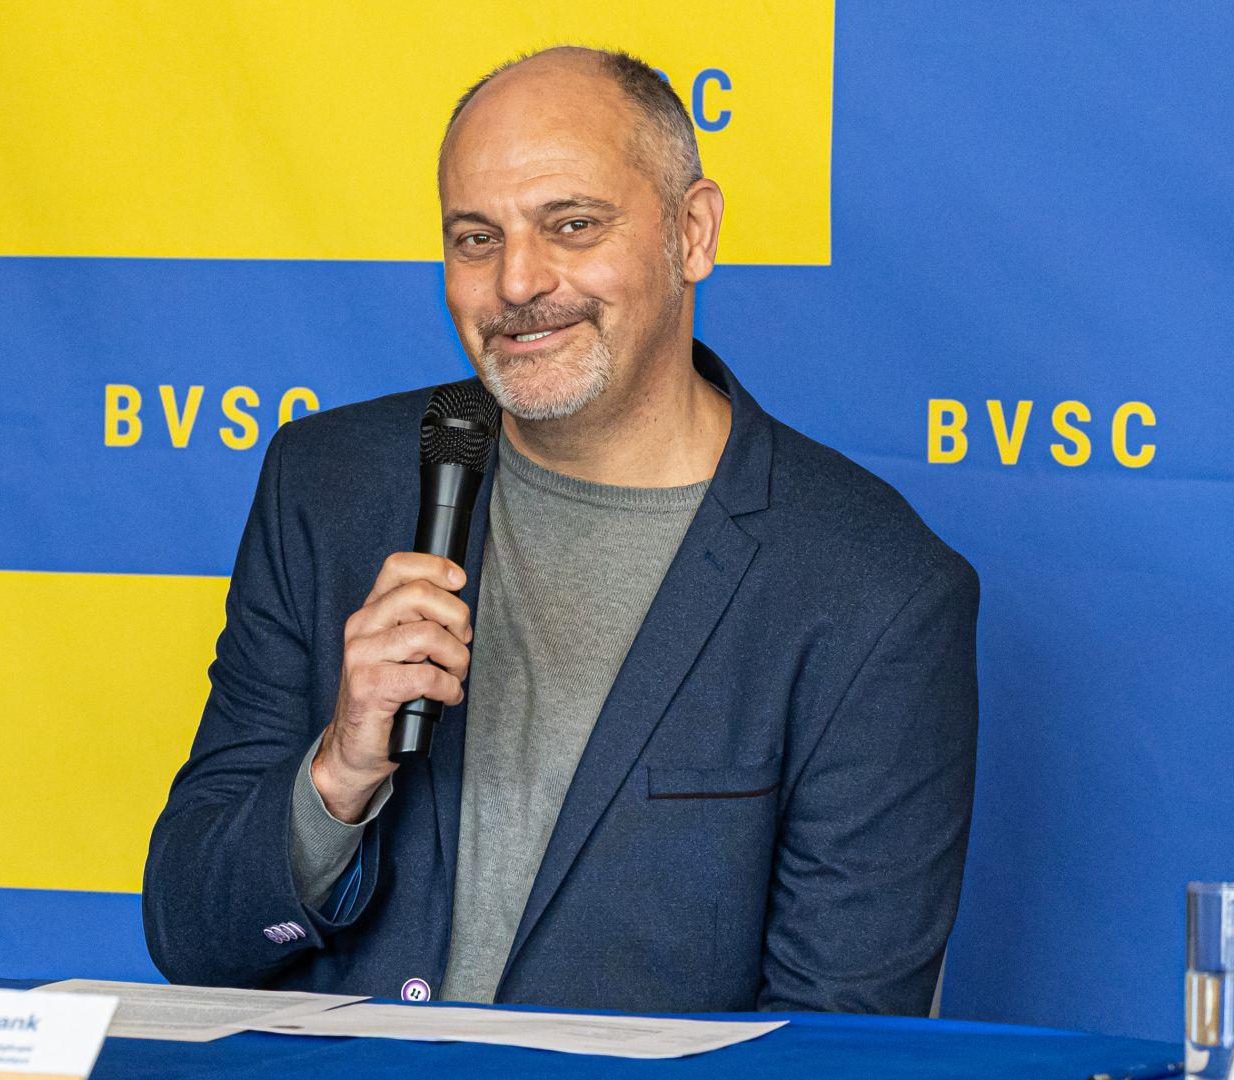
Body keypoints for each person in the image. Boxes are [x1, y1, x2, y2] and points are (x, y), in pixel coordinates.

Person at [143, 46, 979, 1016]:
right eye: (476, 238)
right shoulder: (327, 485)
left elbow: (837, 1045)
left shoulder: (876, 589)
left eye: (572, 225)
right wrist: (338, 774)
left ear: (692, 233)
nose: (517, 282)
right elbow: (191, 939)